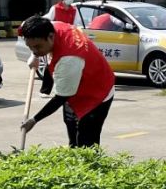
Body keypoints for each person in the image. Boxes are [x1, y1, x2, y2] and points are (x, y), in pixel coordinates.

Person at [19, 16, 116, 147]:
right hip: (74, 87)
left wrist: (34, 120)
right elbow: (27, 29)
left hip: (97, 93)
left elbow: (60, 98)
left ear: (50, 37)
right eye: (30, 47)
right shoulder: (52, 26)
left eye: (37, 47)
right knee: (72, 134)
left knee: (86, 142)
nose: (35, 50)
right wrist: (34, 55)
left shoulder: (69, 58)